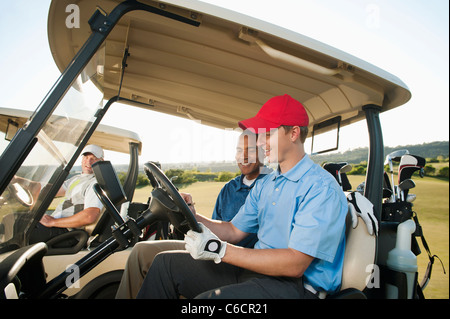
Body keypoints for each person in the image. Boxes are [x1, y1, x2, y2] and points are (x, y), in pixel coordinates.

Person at [136, 94, 348, 299]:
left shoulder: (321, 188)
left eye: (268, 134)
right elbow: (233, 230)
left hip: (296, 287)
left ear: (293, 134)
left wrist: (219, 250)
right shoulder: (267, 184)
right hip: (256, 274)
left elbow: (295, 264)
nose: (261, 142)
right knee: (164, 266)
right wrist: (192, 214)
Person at [115, 131, 272, 298]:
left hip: (239, 262)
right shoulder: (230, 188)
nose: (244, 156)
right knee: (140, 251)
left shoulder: (271, 187)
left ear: (263, 151)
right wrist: (191, 213)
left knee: (164, 264)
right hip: (213, 249)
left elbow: (234, 234)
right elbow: (219, 229)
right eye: (239, 150)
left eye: (251, 150)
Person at [29, 144, 105, 246]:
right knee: (16, 220)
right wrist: (22, 182)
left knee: (23, 231)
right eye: (86, 157)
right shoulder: (76, 179)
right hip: (57, 228)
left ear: (101, 162)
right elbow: (50, 190)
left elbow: (89, 215)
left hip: (67, 233)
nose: (88, 161)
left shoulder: (95, 183)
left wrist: (53, 222)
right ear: (82, 159)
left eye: (94, 158)